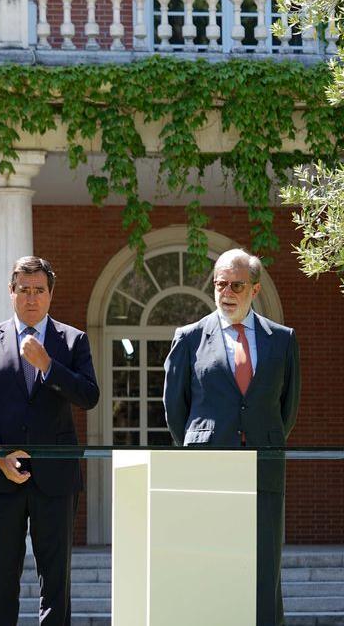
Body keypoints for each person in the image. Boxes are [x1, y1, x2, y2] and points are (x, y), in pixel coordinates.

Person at [0, 256, 99, 626]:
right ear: (11, 292)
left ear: (51, 294)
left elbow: (89, 396)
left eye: (39, 291)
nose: (31, 298)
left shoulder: (73, 340)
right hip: (0, 478)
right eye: (24, 290)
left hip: (56, 479)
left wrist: (49, 366)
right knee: (1, 582)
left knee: (56, 582)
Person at [163, 248, 300, 625]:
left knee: (263, 570)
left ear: (254, 290)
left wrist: (261, 437)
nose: (226, 292)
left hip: (264, 467)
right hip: (208, 467)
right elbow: (176, 410)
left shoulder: (282, 340)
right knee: (210, 566)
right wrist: (201, 444)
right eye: (220, 284)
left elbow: (286, 409)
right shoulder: (189, 338)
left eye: (236, 285)